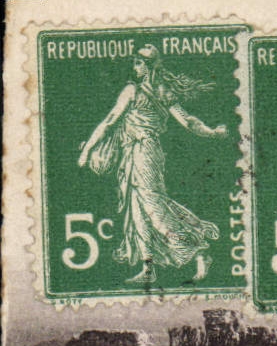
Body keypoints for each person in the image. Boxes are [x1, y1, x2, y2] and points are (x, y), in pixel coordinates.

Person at [77, 44, 228, 284]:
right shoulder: (162, 90)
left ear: (147, 67)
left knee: (153, 209)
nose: (134, 67)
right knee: (137, 210)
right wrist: (212, 132)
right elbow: (188, 121)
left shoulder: (133, 90)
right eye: (134, 62)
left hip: (144, 153)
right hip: (135, 153)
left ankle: (199, 250)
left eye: (138, 62)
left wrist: (86, 150)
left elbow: (109, 121)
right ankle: (148, 267)